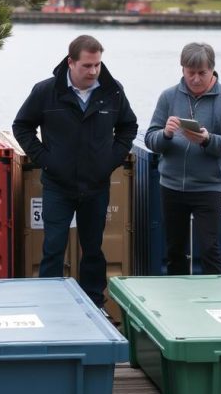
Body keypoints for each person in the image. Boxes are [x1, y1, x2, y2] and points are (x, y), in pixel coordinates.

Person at [12, 35, 138, 309]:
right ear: (71, 62)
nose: (93, 71)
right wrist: (46, 159)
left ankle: (95, 305)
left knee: (93, 250)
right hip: (58, 186)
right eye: (87, 65)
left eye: (97, 65)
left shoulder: (112, 91)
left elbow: (128, 126)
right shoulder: (46, 91)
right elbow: (21, 126)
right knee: (53, 248)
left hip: (96, 186)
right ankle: (50, 305)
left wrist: (111, 160)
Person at [143, 42, 221, 275]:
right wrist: (165, 134)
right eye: (190, 73)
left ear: (212, 70)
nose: (195, 79)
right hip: (172, 185)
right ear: (182, 70)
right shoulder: (168, 96)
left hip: (209, 187)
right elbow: (149, 139)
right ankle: (177, 302)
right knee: (174, 250)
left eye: (202, 73)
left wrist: (207, 140)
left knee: (209, 249)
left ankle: (215, 300)